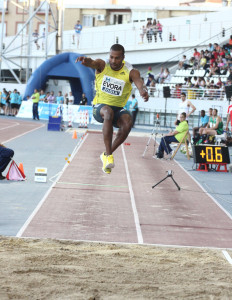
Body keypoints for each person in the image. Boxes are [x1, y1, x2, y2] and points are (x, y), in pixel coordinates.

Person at [75, 44, 149, 174]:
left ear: (123, 57)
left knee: (127, 122)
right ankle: (109, 156)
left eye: (117, 58)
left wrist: (143, 90)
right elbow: (93, 63)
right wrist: (86, 61)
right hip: (100, 108)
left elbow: (139, 82)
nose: (113, 61)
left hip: (118, 109)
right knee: (108, 112)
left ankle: (105, 155)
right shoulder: (103, 65)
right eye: (111, 57)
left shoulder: (130, 71)